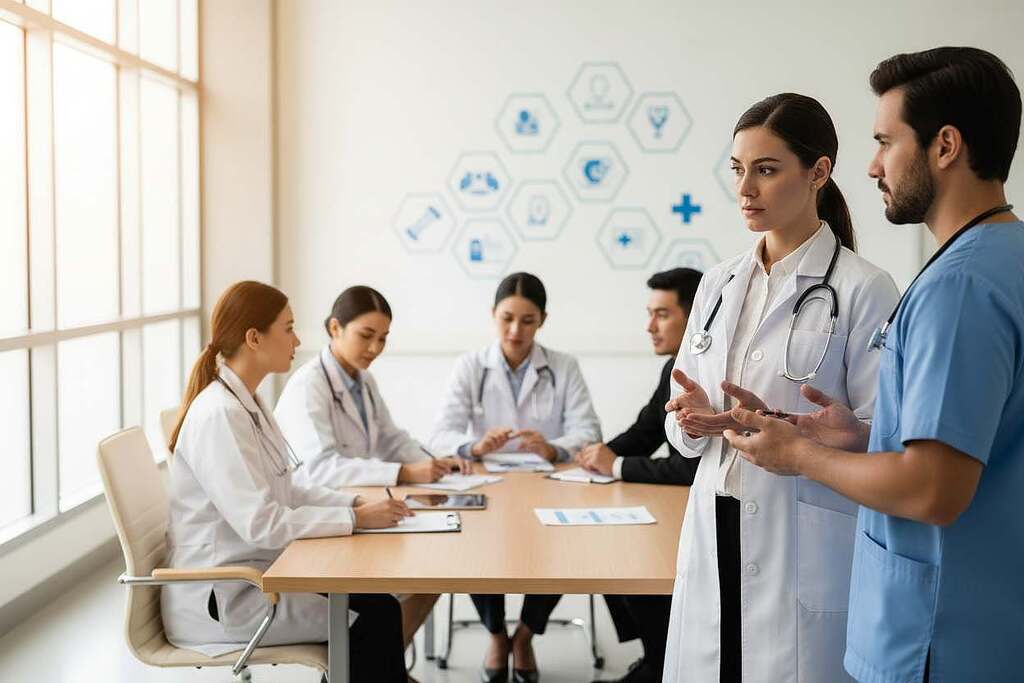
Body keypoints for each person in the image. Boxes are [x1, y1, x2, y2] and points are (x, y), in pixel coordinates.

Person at [722, 47, 1024, 683]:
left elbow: (933, 488)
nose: (873, 165)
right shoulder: (1008, 258)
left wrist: (796, 455)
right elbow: (989, 440)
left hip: (939, 637)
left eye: (887, 141)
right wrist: (865, 438)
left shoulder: (960, 287)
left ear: (945, 146)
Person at [660, 94, 899, 682]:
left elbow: (886, 437)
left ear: (818, 172)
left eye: (766, 170)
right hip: (714, 523)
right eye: (738, 170)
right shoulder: (716, 285)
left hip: (802, 533)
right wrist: (689, 418)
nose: (746, 189)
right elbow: (682, 427)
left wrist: (809, 440)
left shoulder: (865, 289)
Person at [162, 281, 413, 683]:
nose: (297, 339)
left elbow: (289, 489)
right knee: (377, 614)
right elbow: (261, 523)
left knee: (377, 603)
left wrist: (353, 508)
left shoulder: (248, 402)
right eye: (288, 328)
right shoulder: (220, 414)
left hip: (260, 574)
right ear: (254, 337)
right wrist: (357, 522)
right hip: (224, 598)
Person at [430, 271, 601, 683]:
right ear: (493, 315)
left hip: (547, 484)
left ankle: (524, 634)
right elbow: (439, 435)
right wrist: (475, 447)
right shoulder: (471, 366)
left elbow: (590, 432)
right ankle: (495, 634)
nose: (515, 330)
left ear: (542, 320)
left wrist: (553, 448)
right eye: (507, 318)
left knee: (565, 546)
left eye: (527, 320)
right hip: (487, 485)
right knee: (473, 543)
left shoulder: (562, 366)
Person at [276, 285, 462, 645]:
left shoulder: (363, 380)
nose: (375, 348)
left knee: (436, 574)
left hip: (361, 503)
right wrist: (407, 473)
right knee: (420, 577)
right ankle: (381, 669)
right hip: (324, 515)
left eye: (383, 338)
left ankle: (386, 669)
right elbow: (320, 469)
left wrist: (433, 464)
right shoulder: (308, 386)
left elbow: (391, 438)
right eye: (366, 336)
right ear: (334, 329)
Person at [575, 267, 701, 683]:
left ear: (695, 312)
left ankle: (659, 662)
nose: (649, 326)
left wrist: (614, 465)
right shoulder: (674, 367)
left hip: (699, 508)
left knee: (626, 552)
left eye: (661, 314)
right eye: (650, 313)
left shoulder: (702, 372)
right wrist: (597, 455)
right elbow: (647, 431)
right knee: (610, 544)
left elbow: (687, 469)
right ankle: (655, 654)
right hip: (677, 507)